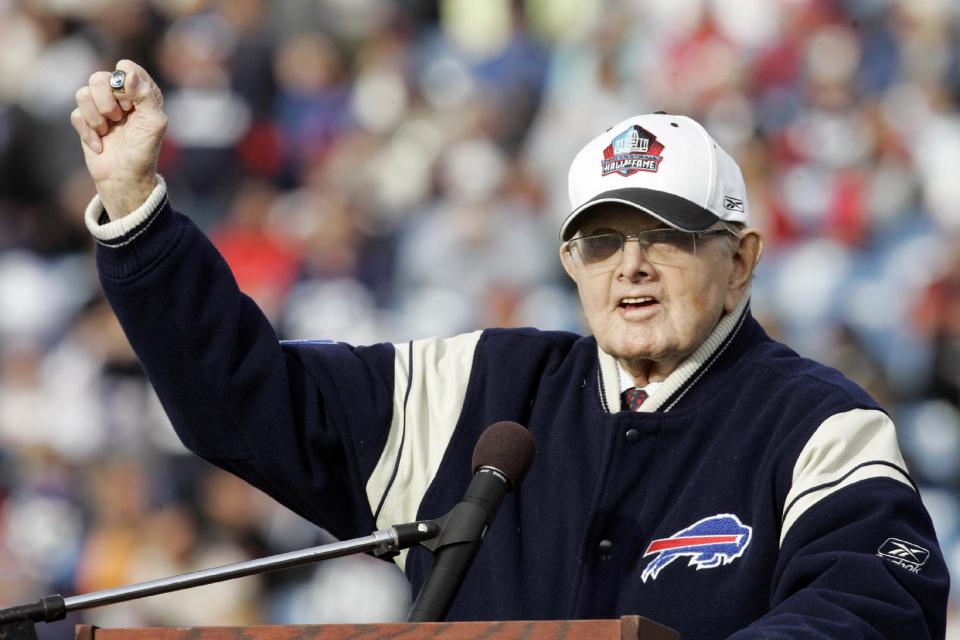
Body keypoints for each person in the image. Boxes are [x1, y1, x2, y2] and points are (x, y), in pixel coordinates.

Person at [70, 61, 948, 639]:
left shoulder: (817, 423)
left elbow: (878, 602)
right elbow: (246, 405)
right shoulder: (481, 387)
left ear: (742, 258)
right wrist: (138, 210)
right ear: (570, 262)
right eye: (601, 242)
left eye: (668, 236)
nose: (631, 267)